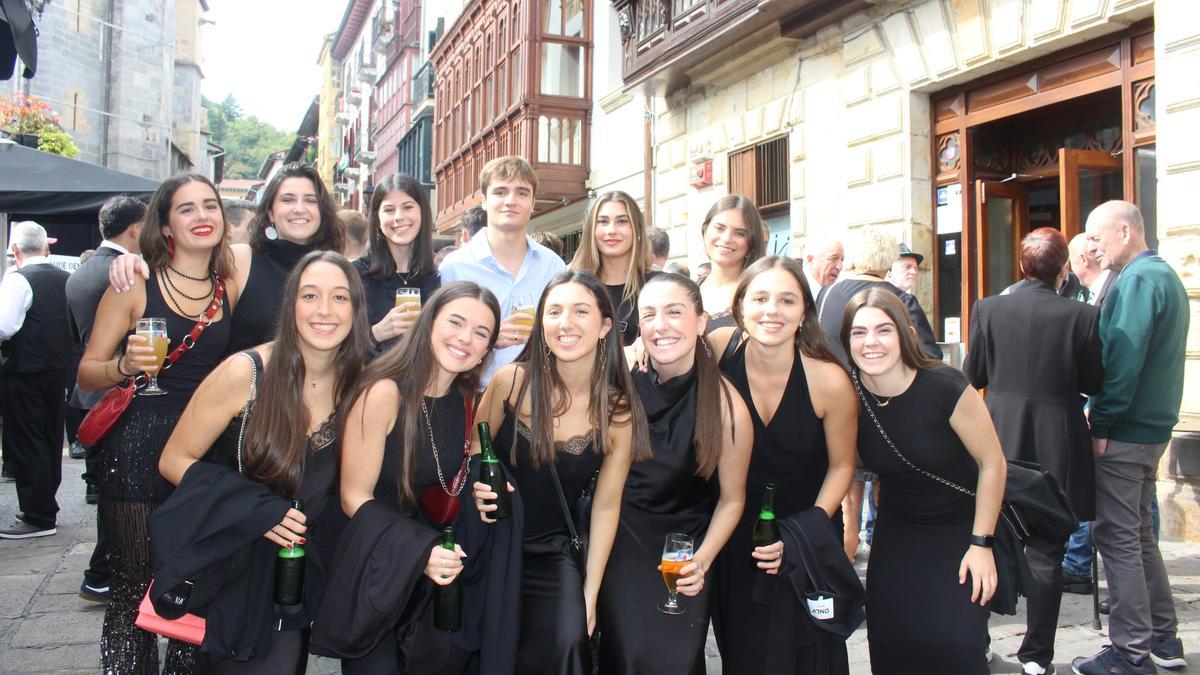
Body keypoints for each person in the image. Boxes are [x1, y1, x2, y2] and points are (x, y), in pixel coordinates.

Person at [155, 250, 370, 671]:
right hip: (231, 571)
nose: (324, 310)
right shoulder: (246, 372)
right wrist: (258, 510)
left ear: (358, 310)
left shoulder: (362, 385)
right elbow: (174, 459)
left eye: (340, 298)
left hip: (297, 584)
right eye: (310, 296)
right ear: (291, 305)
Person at [76, 173, 237, 672]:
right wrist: (125, 366)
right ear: (165, 224)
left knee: (192, 582)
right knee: (132, 584)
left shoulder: (229, 283)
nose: (202, 216)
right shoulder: (134, 284)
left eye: (210, 205)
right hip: (139, 444)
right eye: (186, 209)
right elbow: (86, 372)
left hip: (205, 448)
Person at [472, 270, 646, 674]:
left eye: (580, 311)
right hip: (492, 546)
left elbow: (606, 506)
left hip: (553, 554)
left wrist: (589, 593)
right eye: (554, 311)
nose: (565, 323)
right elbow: (475, 453)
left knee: (568, 645)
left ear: (605, 326)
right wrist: (479, 487)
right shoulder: (509, 383)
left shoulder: (618, 412)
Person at [331, 281, 499, 671]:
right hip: (373, 558)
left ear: (486, 351)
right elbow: (353, 497)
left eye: (480, 333)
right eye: (455, 322)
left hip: (425, 563)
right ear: (429, 323)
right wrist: (420, 551)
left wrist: (481, 489)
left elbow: (451, 474)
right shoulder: (384, 391)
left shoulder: (465, 398)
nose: (464, 339)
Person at [842, 287, 1005, 674]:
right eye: (859, 332)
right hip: (897, 536)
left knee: (957, 647)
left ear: (904, 333)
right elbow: (843, 471)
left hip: (960, 533)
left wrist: (982, 544)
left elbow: (993, 464)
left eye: (883, 330)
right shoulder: (847, 393)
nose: (871, 343)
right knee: (892, 644)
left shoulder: (944, 386)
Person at [709, 257, 858, 674]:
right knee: (745, 655)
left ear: (804, 311)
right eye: (759, 298)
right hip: (734, 532)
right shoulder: (719, 349)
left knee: (808, 657)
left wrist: (806, 531)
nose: (771, 310)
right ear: (739, 306)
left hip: (805, 536)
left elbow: (842, 467)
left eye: (786, 300)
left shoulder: (828, 380)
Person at [963, 227, 1102, 675]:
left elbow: (975, 373)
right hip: (1058, 438)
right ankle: (1036, 657)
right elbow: (1093, 382)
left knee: (990, 539)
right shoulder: (1082, 316)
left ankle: (977, 641)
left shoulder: (988, 308)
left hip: (1000, 434)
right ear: (1063, 267)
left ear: (1022, 266)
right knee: (1048, 551)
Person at [599, 272, 752, 674]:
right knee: (627, 656)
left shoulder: (725, 406)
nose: (660, 325)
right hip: (620, 543)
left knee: (678, 663)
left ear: (701, 322)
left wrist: (701, 560)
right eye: (649, 314)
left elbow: (733, 499)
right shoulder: (621, 381)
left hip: (682, 552)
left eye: (674, 312)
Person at [1072, 200, 1189, 675]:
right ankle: (1162, 639)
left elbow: (1123, 361)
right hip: (1149, 430)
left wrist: (1101, 424)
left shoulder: (1140, 280)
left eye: (1097, 238)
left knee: (1119, 539)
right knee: (1139, 537)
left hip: (1126, 432)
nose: (1094, 249)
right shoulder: (1160, 276)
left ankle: (1130, 652)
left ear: (1125, 231)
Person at [111, 163, 345, 355]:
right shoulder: (242, 259)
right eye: (288, 200)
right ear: (271, 212)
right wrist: (133, 260)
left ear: (322, 211)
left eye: (310, 201)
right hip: (243, 402)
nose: (299, 209)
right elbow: (184, 269)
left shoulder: (336, 270)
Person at [818, 230, 941, 559]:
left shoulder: (826, 296)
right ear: (888, 260)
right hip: (888, 413)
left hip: (834, 412)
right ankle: (888, 578)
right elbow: (929, 359)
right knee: (889, 501)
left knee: (847, 503)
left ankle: (843, 576)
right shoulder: (899, 299)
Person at [65, 195, 144, 601]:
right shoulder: (122, 276)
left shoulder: (83, 271)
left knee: (107, 489)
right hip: (116, 393)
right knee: (119, 495)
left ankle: (103, 572)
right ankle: (102, 575)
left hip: (90, 394)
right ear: (135, 229)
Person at [439, 156, 566, 389]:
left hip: (538, 397)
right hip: (470, 397)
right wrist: (486, 340)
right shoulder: (455, 267)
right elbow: (437, 339)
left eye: (521, 193)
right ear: (484, 201)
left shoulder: (553, 267)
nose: (511, 201)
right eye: (500, 192)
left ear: (532, 202)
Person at [0, 221, 71, 540]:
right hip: (57, 370)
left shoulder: (18, 279)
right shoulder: (66, 279)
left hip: (23, 370)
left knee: (26, 440)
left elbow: (5, 327)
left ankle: (38, 513)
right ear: (46, 247)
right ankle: (45, 505)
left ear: (15, 251)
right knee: (50, 438)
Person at [1060, 232, 1115, 594]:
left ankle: (1080, 564)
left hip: (1108, 413)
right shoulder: (1089, 296)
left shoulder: (1114, 289)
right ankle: (1079, 563)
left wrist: (1099, 416)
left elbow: (1106, 366)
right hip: (1095, 408)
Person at [354, 173, 441, 351]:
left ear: (423, 213)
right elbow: (337, 349)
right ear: (377, 218)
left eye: (407, 207)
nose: (398, 217)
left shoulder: (437, 278)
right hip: (370, 378)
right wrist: (377, 333)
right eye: (388, 210)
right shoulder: (355, 275)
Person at [570, 191, 655, 346]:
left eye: (622, 221)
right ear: (592, 230)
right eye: (603, 222)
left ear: (637, 229)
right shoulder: (574, 286)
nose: (611, 230)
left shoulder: (657, 285)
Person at [697, 195, 766, 333]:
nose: (727, 238)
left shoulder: (761, 294)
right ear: (705, 231)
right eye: (719, 228)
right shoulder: (689, 289)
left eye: (739, 233)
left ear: (751, 243)